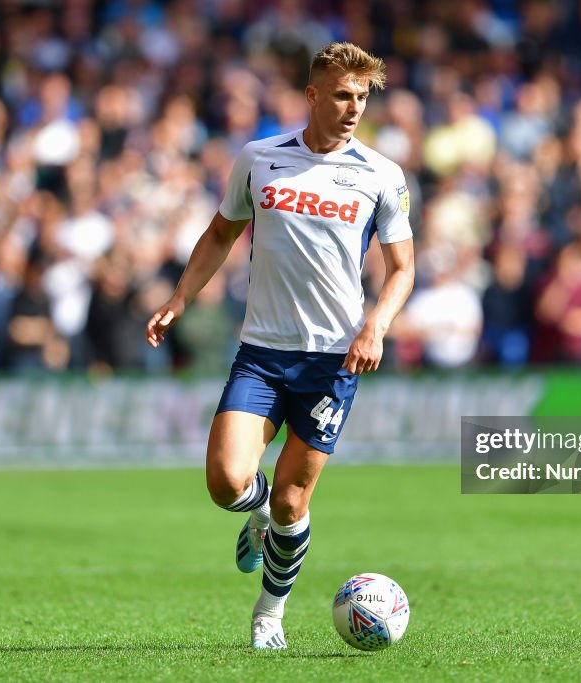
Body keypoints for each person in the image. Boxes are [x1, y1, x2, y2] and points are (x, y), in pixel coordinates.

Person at [145, 42, 415, 650]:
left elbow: (403, 269)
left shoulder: (382, 175)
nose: (353, 107)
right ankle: (257, 517)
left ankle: (269, 616)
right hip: (263, 352)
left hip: (334, 360)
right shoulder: (259, 158)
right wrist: (181, 297)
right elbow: (221, 233)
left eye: (363, 96)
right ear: (313, 95)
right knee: (224, 482)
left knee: (295, 501)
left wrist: (376, 326)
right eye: (343, 95)